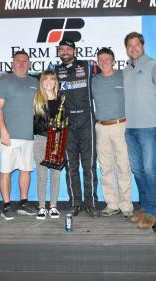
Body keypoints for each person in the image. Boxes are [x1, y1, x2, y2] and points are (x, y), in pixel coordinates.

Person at [123, 32, 156, 229]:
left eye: (137, 44)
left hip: (149, 128)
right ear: (126, 48)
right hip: (130, 129)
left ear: (143, 46)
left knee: (149, 170)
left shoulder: (155, 66)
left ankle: (152, 211)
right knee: (137, 170)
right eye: (130, 45)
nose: (133, 48)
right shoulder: (126, 70)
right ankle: (144, 207)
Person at [54, 39, 99, 217]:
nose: (65, 51)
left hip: (87, 118)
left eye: (68, 49)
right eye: (61, 49)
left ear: (74, 50)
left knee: (88, 166)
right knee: (71, 166)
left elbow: (108, 72)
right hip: (67, 121)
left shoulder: (88, 66)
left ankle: (91, 203)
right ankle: (75, 203)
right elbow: (39, 79)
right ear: (59, 52)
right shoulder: (55, 69)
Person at [91, 48, 134, 219]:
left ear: (114, 61)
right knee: (106, 167)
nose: (104, 62)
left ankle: (126, 206)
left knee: (123, 166)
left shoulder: (123, 76)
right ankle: (112, 204)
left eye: (107, 59)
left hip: (120, 126)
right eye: (100, 59)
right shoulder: (94, 81)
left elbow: (140, 90)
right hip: (100, 127)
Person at [0, 50, 38, 220]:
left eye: (25, 60)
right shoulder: (4, 80)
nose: (21, 63)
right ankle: (6, 205)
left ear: (29, 64)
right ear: (12, 63)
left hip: (29, 135)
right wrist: (3, 129)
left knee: (26, 170)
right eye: (18, 60)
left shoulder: (35, 82)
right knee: (6, 170)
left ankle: (23, 202)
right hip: (9, 135)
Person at [33, 70, 61, 219]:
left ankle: (54, 206)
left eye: (52, 79)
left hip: (57, 140)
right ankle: (42, 206)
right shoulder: (36, 99)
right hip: (40, 140)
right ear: (41, 81)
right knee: (42, 175)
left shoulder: (61, 99)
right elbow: (34, 123)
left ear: (56, 82)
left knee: (55, 175)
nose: (49, 82)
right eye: (46, 79)